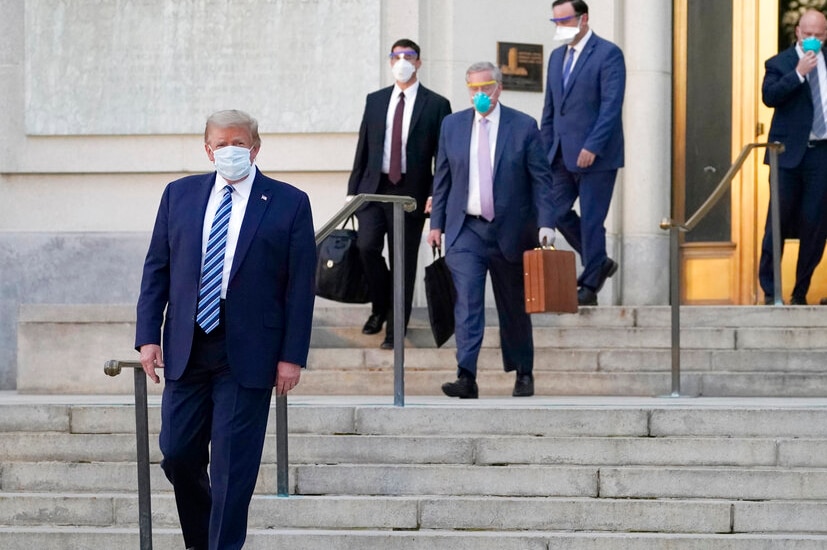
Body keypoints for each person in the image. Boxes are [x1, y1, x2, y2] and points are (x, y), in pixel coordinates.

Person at [135, 110, 316, 550]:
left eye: (239, 144)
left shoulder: (289, 202)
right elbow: (157, 267)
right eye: (221, 144)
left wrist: (292, 355)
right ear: (207, 149)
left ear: (255, 148)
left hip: (249, 353)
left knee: (233, 469)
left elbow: (300, 287)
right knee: (178, 454)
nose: (229, 151)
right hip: (187, 345)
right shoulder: (179, 195)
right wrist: (147, 336)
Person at [426, 61, 555, 398]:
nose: (480, 94)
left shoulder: (523, 126)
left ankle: (523, 371)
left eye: (486, 87)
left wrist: (546, 224)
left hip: (511, 231)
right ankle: (466, 376)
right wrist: (436, 223)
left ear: (499, 88)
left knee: (514, 306)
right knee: (467, 302)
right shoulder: (452, 126)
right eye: (473, 88)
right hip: (465, 230)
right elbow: (442, 179)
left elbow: (542, 180)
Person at [348, 38, 452, 349]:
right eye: (397, 56)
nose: (403, 61)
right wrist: (352, 191)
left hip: (412, 193)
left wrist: (437, 195)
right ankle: (380, 305)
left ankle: (395, 330)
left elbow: (442, 156)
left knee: (402, 262)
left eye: (409, 56)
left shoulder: (436, 104)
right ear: (390, 61)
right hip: (373, 189)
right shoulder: (376, 100)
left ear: (419, 62)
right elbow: (363, 147)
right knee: (366, 248)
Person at [540, 0, 625, 306]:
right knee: (555, 211)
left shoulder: (608, 54)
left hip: (596, 156)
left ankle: (590, 284)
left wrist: (593, 145)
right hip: (560, 154)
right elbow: (549, 109)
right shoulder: (555, 57)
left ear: (584, 18)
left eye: (565, 20)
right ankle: (598, 260)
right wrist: (544, 150)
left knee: (591, 219)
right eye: (556, 21)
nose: (560, 26)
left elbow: (611, 106)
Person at [759, 9, 827, 305]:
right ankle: (771, 292)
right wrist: (799, 73)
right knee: (778, 223)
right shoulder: (779, 63)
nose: (813, 39)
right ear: (798, 32)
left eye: (819, 35)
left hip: (821, 155)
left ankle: (800, 293)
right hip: (786, 157)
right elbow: (769, 96)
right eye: (808, 34)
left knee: (815, 225)